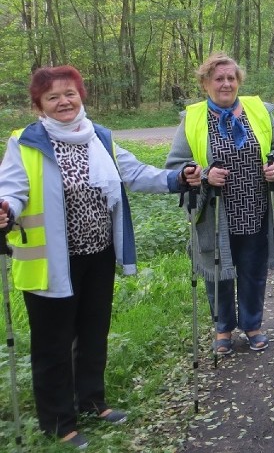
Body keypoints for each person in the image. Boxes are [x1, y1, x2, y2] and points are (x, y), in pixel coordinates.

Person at [0, 65, 200, 449]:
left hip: (98, 255)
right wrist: (6, 208)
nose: (64, 102)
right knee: (53, 343)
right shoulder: (26, 142)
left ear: (81, 96)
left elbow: (136, 173)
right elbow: (13, 190)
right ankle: (58, 422)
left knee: (93, 333)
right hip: (51, 261)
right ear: (39, 105)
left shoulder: (98, 137)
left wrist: (178, 178)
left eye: (70, 93)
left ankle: (92, 401)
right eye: (53, 96)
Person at [166, 53, 274, 356]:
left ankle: (253, 325)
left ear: (239, 81)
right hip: (215, 212)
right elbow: (177, 164)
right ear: (205, 83)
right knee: (217, 269)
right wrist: (205, 174)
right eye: (219, 78)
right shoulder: (193, 118)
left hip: (255, 207)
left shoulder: (259, 111)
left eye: (231, 78)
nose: (226, 84)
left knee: (253, 268)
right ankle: (223, 328)